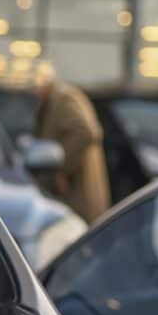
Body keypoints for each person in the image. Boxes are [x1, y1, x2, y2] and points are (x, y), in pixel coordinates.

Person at [34, 77, 111, 223]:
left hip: (77, 194)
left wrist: (62, 169)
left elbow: (85, 132)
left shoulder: (63, 99)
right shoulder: (58, 98)